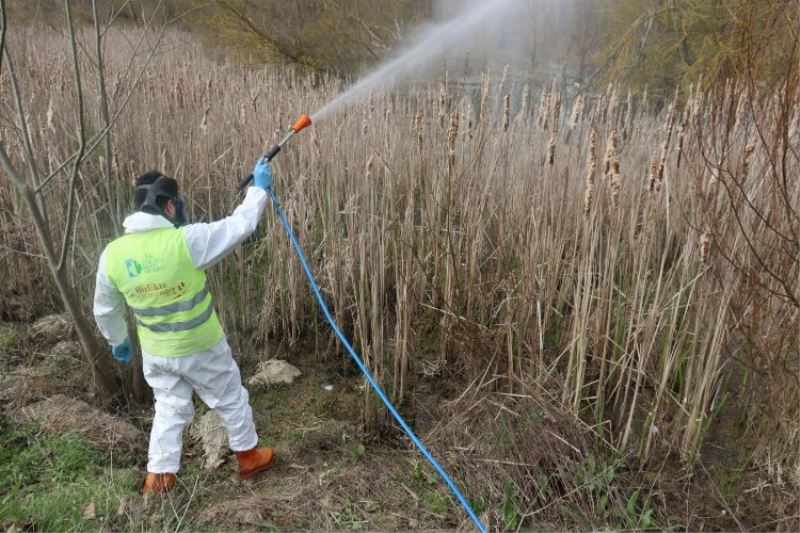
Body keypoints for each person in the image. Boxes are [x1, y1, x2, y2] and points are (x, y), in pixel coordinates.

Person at [93, 158, 275, 494]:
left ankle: (159, 480)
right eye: (176, 204)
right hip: (201, 346)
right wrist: (259, 190)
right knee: (229, 397)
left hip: (157, 353)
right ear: (168, 204)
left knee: (169, 408)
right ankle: (249, 458)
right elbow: (239, 226)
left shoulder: (113, 254)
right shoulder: (186, 242)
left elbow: (104, 309)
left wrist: (118, 340)